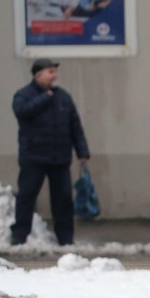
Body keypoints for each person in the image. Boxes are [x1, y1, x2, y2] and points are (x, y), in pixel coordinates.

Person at [11, 58, 90, 247]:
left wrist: (82, 150)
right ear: (38, 75)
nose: (54, 76)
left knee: (62, 198)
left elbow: (75, 126)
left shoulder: (63, 97)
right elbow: (22, 112)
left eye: (55, 72)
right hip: (33, 157)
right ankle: (19, 237)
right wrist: (44, 98)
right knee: (27, 196)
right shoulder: (24, 95)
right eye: (50, 72)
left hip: (60, 157)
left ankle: (65, 239)